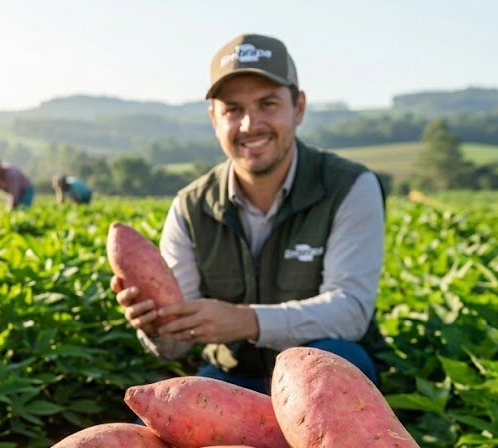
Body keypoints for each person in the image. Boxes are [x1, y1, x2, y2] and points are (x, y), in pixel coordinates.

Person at [113, 33, 386, 394]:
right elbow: (177, 345)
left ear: (298, 108)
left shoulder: (348, 187)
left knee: (332, 361)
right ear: (214, 119)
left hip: (327, 375)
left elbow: (349, 312)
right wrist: (156, 326)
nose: (249, 125)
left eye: (268, 104)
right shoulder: (191, 207)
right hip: (235, 375)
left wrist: (246, 321)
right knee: (157, 435)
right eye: (233, 109)